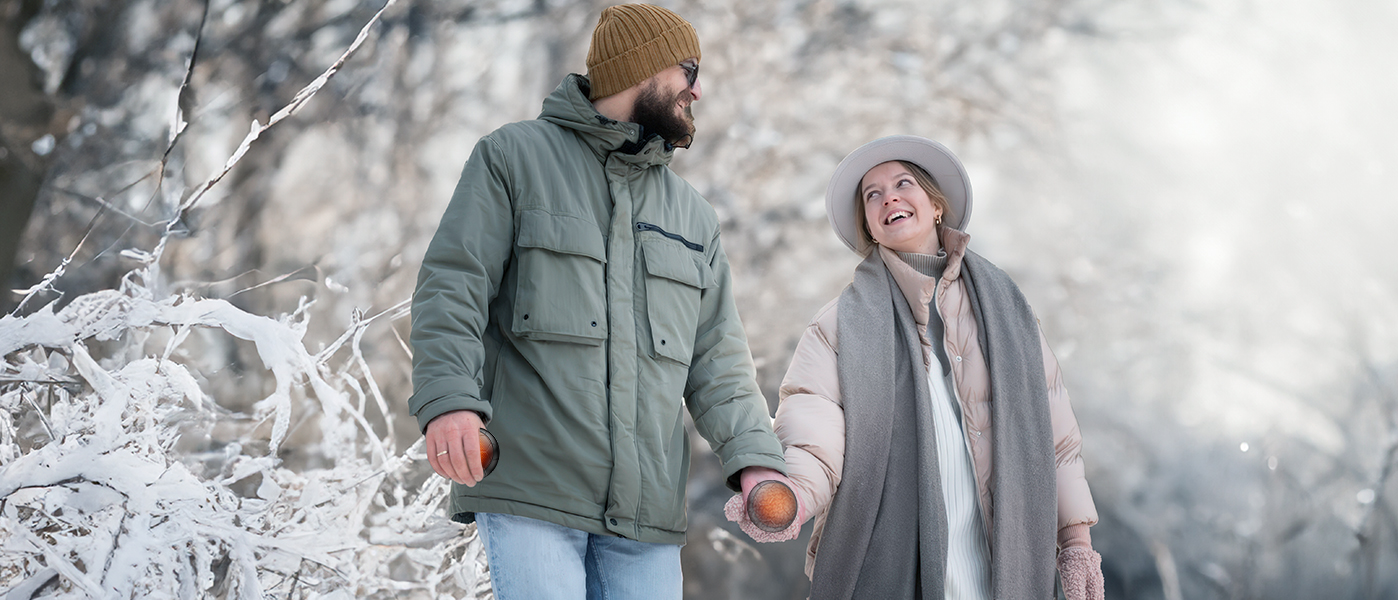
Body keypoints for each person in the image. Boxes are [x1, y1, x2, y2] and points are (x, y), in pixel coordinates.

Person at [406, 5, 793, 599]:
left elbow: (718, 361)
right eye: (688, 70)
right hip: (535, 488)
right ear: (641, 69)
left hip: (648, 515)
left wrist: (754, 458)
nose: (698, 88)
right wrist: (449, 402)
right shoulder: (514, 159)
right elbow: (453, 286)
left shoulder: (692, 216)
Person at [732, 135, 1105, 599]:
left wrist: (1076, 541)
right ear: (870, 226)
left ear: (935, 205)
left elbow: (1057, 437)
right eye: (873, 195)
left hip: (1003, 558)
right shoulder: (837, 327)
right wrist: (790, 496)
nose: (888, 196)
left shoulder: (1007, 308)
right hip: (897, 563)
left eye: (903, 183)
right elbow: (813, 434)